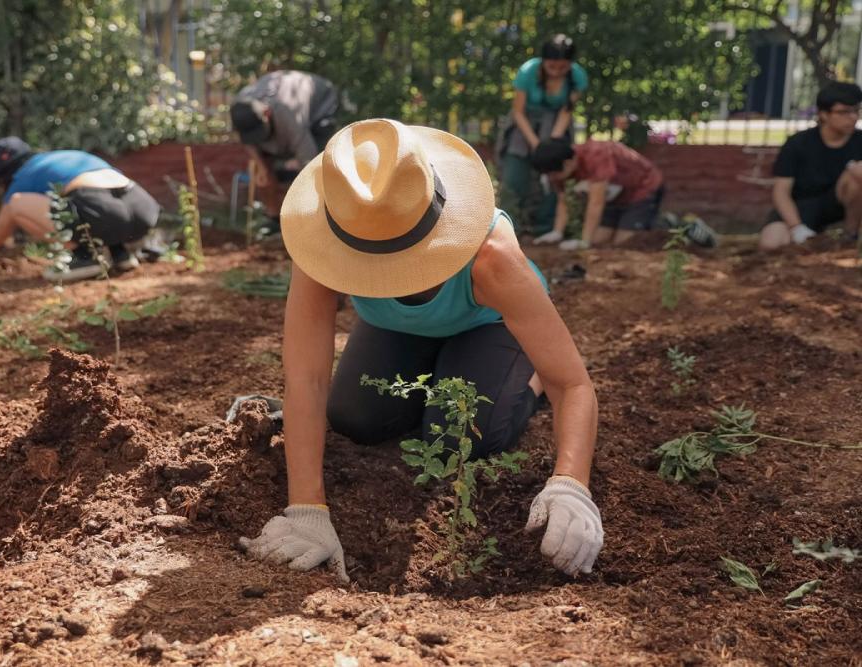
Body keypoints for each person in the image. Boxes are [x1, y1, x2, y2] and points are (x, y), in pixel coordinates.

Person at [238, 119, 603, 581]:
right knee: (355, 418)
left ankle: (522, 371)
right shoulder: (324, 243)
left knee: (461, 436)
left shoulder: (491, 256)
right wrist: (306, 510)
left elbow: (572, 382)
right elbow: (306, 378)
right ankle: (443, 368)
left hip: (487, 324)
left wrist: (571, 483)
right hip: (396, 327)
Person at [0, 137, 160, 282]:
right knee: (81, 203)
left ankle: (85, 257)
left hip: (100, 209)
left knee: (16, 204)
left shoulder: (22, 176)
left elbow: (0, 229)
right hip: (142, 207)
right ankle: (120, 254)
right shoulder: (59, 157)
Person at [499, 35, 588, 238]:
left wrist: (552, 145)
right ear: (543, 62)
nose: (557, 72)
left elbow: (567, 110)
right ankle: (509, 228)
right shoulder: (527, 72)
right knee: (515, 173)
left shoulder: (578, 77)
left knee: (556, 173)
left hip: (556, 123)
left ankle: (547, 228)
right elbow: (518, 112)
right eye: (552, 67)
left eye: (563, 68)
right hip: (524, 123)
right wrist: (536, 144)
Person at [230, 70, 340, 228]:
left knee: (316, 168)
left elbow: (309, 164)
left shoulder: (289, 112)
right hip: (282, 121)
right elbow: (248, 142)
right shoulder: (241, 109)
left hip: (320, 109)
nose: (256, 138)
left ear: (266, 113)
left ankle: (318, 221)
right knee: (263, 174)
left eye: (258, 132)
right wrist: (262, 168)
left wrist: (301, 165)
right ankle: (274, 220)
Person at [760, 81, 862, 250]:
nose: (853, 117)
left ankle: (850, 237)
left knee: (858, 173)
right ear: (823, 114)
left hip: (840, 207)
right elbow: (781, 191)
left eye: (856, 111)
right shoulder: (798, 143)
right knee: (771, 243)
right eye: (844, 112)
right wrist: (796, 227)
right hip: (801, 208)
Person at [531, 138, 664, 249]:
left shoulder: (596, 155)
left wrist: (584, 242)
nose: (552, 179)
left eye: (553, 174)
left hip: (642, 188)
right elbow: (563, 198)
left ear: (568, 163)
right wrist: (557, 232)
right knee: (599, 240)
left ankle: (663, 225)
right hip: (615, 196)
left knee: (624, 243)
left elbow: (596, 202)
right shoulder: (559, 169)